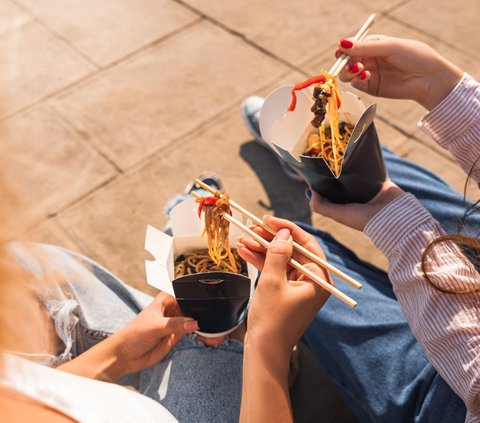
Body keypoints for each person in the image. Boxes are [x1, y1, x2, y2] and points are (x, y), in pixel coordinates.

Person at [240, 34, 479, 422]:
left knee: (311, 278)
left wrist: (397, 226)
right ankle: (307, 158)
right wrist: (443, 89)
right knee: (391, 179)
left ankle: (308, 171)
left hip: (459, 394)